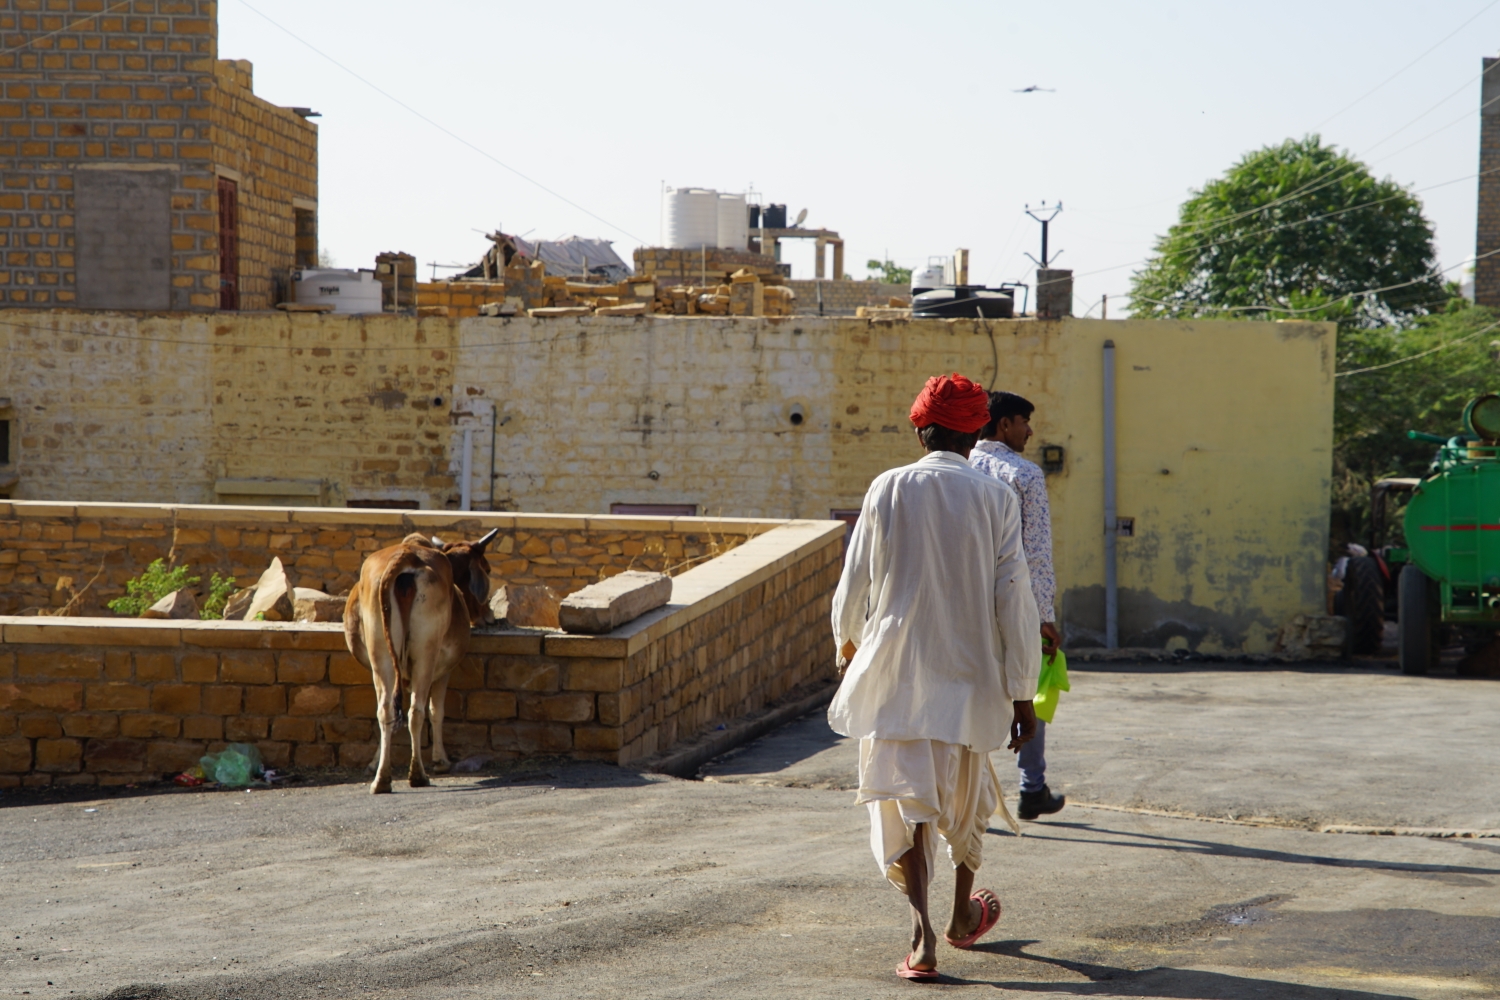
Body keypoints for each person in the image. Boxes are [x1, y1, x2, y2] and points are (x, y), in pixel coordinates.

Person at [829, 372, 1041, 981]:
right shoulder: (995, 496)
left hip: (896, 672)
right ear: (977, 430)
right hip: (971, 675)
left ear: (920, 429)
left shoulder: (888, 487)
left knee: (911, 805)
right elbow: (1013, 600)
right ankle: (961, 918)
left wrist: (847, 647)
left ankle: (922, 941)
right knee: (967, 798)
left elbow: (855, 581)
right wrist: (1022, 692)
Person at [970, 390, 1066, 821]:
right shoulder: (1024, 474)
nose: (1029, 431)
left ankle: (971, 797)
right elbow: (1036, 551)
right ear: (1004, 424)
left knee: (970, 694)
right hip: (1017, 600)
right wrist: (1045, 615)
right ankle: (1032, 787)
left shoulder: (962, 468)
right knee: (1028, 688)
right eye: (1024, 422)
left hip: (967, 603)